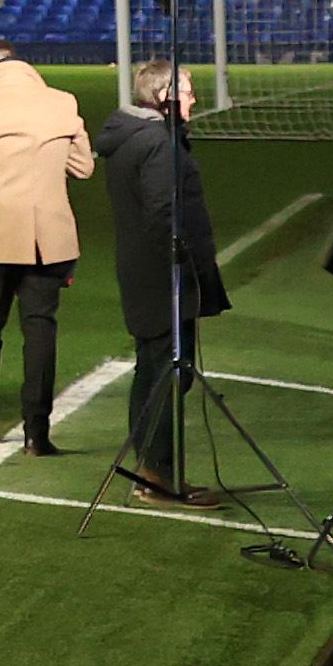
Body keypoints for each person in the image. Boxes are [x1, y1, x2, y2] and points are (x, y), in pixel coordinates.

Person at [0, 37, 96, 452]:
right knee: (40, 330)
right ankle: (37, 432)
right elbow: (83, 167)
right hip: (51, 238)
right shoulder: (63, 102)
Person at [97, 58, 230, 499]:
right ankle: (157, 474)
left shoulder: (135, 137)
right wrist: (185, 263)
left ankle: (151, 468)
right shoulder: (156, 143)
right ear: (164, 97)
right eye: (188, 91)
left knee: (154, 368)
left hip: (144, 272)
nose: (194, 99)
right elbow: (162, 214)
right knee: (167, 373)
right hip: (161, 277)